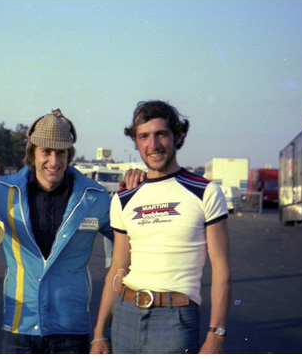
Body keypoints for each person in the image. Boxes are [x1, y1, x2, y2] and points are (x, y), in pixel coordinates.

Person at [0, 109, 113, 353]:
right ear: (32, 152)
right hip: (20, 327)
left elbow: (132, 243)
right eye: (46, 152)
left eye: (60, 152)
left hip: (72, 329)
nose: (54, 161)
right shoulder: (3, 192)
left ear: (69, 154)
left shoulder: (95, 197)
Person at [90, 100, 231, 354]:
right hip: (125, 315)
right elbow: (119, 267)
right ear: (136, 142)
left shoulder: (205, 192)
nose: (153, 145)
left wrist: (216, 335)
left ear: (177, 136)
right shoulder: (123, 198)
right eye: (144, 136)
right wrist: (99, 333)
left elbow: (221, 270)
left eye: (161, 134)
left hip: (175, 319)